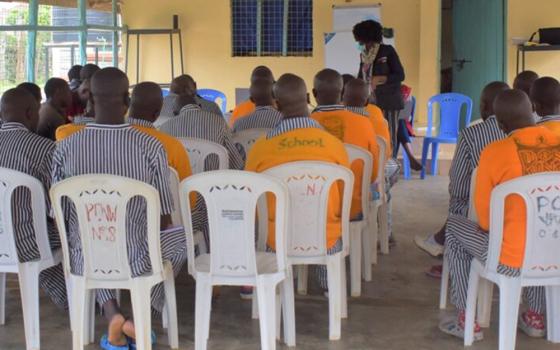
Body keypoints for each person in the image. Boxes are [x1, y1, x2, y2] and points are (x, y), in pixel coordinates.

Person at [52, 68, 187, 349]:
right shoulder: (151, 146)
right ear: (127, 101)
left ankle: (114, 312)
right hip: (139, 255)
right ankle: (141, 315)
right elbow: (163, 216)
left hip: (85, 256)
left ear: (89, 102)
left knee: (90, 238)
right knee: (181, 239)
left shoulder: (65, 147)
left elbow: (59, 216)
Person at [440, 89, 560, 341]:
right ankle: (535, 316)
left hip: (510, 258)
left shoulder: (495, 152)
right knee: (538, 235)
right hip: (555, 251)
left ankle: (466, 319)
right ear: (533, 112)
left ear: (501, 125)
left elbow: (485, 221)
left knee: (454, 227)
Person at [245, 73, 350, 292]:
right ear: (309, 97)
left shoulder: (262, 148)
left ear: (276, 103)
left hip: (274, 240)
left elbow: (250, 195)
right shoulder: (334, 145)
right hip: (326, 238)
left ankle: (278, 286)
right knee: (329, 235)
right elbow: (342, 197)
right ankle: (330, 288)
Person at [415, 81, 509, 277]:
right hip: (518, 214)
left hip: (479, 215)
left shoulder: (471, 134)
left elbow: (458, 184)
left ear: (484, 106)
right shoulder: (526, 135)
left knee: (459, 206)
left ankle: (454, 266)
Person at [0, 88, 67, 310]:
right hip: (28, 244)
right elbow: (56, 209)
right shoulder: (45, 149)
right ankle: (81, 299)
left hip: (5, 242)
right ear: (30, 112)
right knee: (75, 234)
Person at [311, 69, 379, 220]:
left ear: (314, 93)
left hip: (317, 208)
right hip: (354, 207)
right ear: (342, 93)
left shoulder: (306, 125)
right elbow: (373, 174)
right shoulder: (363, 123)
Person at [159, 77, 244, 171]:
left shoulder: (164, 127)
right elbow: (236, 164)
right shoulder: (217, 120)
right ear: (200, 107)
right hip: (212, 182)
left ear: (175, 113)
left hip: (177, 182)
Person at [353, 20, 405, 155]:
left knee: (389, 135)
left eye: (365, 42)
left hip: (389, 101)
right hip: (369, 102)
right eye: (362, 43)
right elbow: (361, 76)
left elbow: (400, 75)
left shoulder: (387, 51)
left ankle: (390, 168)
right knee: (373, 135)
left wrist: (383, 78)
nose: (365, 45)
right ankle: (376, 165)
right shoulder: (364, 55)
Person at [128, 81, 193, 181]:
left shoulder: (109, 138)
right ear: (157, 113)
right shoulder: (172, 146)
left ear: (129, 105)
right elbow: (188, 191)